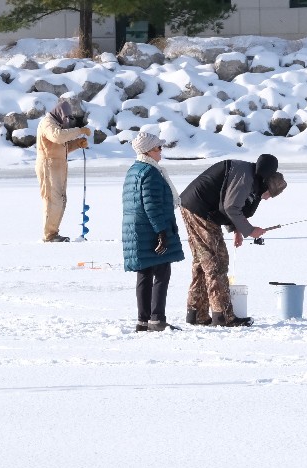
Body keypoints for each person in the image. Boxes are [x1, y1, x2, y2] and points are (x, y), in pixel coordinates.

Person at [179, 154, 287, 327]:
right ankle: (223, 316)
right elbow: (231, 206)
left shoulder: (250, 175)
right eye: (269, 195)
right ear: (267, 185)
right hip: (200, 210)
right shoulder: (246, 177)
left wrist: (236, 229)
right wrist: (250, 231)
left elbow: (230, 201)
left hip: (194, 207)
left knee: (203, 262)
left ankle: (196, 314)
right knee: (217, 262)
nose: (266, 198)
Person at [122, 132, 185, 332]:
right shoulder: (150, 173)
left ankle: (143, 320)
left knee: (145, 273)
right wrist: (162, 232)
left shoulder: (134, 170)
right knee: (161, 271)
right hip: (148, 229)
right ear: (148, 151)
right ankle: (157, 319)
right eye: (158, 148)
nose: (161, 151)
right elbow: (152, 205)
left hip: (136, 230)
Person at [35, 99, 90, 242]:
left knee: (61, 200)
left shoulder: (57, 125)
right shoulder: (48, 124)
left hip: (59, 166)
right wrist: (79, 131)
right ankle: (49, 235)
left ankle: (54, 232)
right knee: (52, 200)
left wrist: (77, 144)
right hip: (48, 166)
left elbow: (62, 147)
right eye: (67, 117)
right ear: (59, 113)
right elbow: (58, 137)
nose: (68, 121)